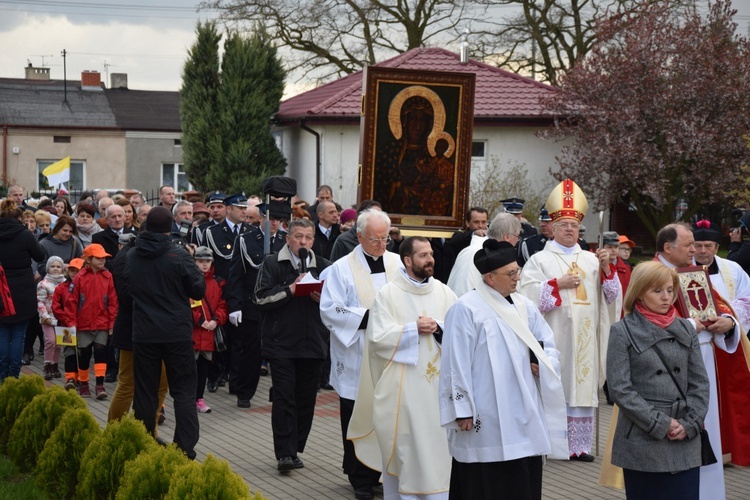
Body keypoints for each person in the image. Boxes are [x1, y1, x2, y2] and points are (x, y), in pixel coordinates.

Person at [439, 240, 568, 500]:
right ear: (489, 277)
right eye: (511, 274)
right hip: (485, 413)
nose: (517, 278)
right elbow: (455, 362)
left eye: (517, 271)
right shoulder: (466, 308)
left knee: (522, 475)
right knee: (485, 481)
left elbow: (548, 345)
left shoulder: (525, 306)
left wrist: (542, 363)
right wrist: (461, 410)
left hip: (524, 408)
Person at [348, 236, 457, 499]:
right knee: (408, 449)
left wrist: (439, 327)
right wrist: (412, 329)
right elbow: (377, 338)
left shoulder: (444, 292)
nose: (430, 259)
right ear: (407, 261)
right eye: (422, 255)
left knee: (438, 450)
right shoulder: (388, 294)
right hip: (403, 390)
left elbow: (460, 329)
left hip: (438, 389)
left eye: (430, 253)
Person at [519, 179, 619, 462]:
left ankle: (580, 447)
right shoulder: (539, 260)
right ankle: (553, 445)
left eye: (573, 226)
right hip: (556, 334)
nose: (569, 229)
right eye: (563, 225)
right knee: (557, 386)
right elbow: (525, 297)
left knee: (582, 390)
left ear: (579, 229)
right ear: (552, 227)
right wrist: (556, 284)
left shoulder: (591, 259)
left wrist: (608, 268)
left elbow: (611, 297)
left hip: (586, 338)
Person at [607, 261, 709, 500]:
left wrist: (690, 423)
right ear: (639, 293)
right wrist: (661, 424)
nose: (666, 297)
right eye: (657, 291)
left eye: (670, 290)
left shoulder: (685, 327)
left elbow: (700, 384)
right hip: (643, 439)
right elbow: (620, 389)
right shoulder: (622, 331)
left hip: (684, 439)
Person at [319, 208, 403, 500]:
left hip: (390, 354)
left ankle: (383, 472)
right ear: (359, 236)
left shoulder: (397, 264)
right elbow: (331, 309)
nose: (381, 245)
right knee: (356, 415)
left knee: (387, 415)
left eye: (385, 239)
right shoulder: (342, 268)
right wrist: (369, 318)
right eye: (375, 239)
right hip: (358, 353)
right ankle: (360, 478)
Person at [125, 206, 205, 459]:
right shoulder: (178, 254)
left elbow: (128, 288)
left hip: (145, 332)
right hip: (176, 333)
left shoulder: (132, 255)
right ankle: (184, 446)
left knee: (145, 391)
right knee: (182, 390)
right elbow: (198, 290)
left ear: (146, 226)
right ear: (170, 227)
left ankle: (142, 440)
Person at [254, 218, 331, 472]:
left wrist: (323, 299)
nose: (303, 242)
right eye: (298, 237)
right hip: (281, 343)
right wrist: (290, 289)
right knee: (284, 397)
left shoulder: (324, 266)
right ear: (288, 238)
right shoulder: (272, 263)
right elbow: (260, 298)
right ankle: (284, 454)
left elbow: (338, 303)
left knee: (306, 399)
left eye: (308, 238)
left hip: (313, 343)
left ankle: (296, 448)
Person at [224, 207, 286, 407]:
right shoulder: (246, 240)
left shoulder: (287, 240)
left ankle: (281, 392)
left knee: (281, 351)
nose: (274, 222)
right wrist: (235, 306)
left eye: (278, 219)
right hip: (253, 303)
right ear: (261, 217)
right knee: (251, 351)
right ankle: (244, 392)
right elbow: (236, 276)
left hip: (279, 304)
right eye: (270, 218)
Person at [107, 233, 169, 429]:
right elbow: (126, 297)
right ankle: (114, 433)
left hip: (161, 331)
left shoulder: (164, 253)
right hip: (132, 331)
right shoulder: (125, 256)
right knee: (128, 384)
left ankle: (147, 431)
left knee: (161, 383)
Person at [65, 243, 118, 399]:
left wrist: (111, 324)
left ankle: (100, 385)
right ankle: (84, 383)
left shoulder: (108, 276)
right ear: (88, 259)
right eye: (98, 258)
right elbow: (71, 302)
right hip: (83, 323)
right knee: (85, 353)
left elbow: (113, 302)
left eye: (104, 258)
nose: (102, 261)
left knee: (101, 352)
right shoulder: (80, 277)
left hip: (102, 323)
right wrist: (72, 323)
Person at [0, 200, 45, 382]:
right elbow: (40, 255)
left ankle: (2, 374)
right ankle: (14, 373)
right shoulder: (25, 235)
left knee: (2, 331)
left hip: (1, 289)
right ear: (19, 218)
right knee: (19, 333)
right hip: (23, 289)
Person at [447, 213, 521, 297]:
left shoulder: (494, 253)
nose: (517, 241)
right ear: (507, 237)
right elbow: (463, 291)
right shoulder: (475, 254)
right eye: (517, 237)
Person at [192, 246, 228, 414]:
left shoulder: (217, 282)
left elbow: (222, 305)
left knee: (203, 369)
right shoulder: (190, 280)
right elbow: (188, 304)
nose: (204, 265)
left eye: (207, 261)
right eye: (200, 261)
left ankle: (199, 399)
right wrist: (200, 320)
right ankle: (188, 399)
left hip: (208, 333)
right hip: (193, 333)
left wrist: (216, 320)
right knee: (189, 369)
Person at [52, 258, 83, 389]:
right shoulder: (61, 288)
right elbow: (56, 307)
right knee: (69, 352)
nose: (74, 273)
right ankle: (70, 378)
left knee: (82, 352)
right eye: (71, 270)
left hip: (83, 326)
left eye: (77, 271)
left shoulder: (85, 287)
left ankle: (81, 378)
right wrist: (67, 319)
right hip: (66, 326)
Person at [37, 256, 66, 380]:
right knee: (50, 341)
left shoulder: (65, 283)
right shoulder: (43, 284)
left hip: (61, 318)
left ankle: (55, 365)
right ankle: (47, 365)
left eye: (58, 266)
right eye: (53, 266)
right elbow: (40, 301)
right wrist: (44, 315)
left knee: (59, 343)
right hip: (48, 317)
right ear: (48, 268)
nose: (55, 269)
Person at [91, 204, 136, 268]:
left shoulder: (135, 236)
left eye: (120, 216)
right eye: (113, 217)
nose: (117, 219)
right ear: (106, 219)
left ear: (124, 217)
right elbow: (99, 262)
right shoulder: (98, 238)